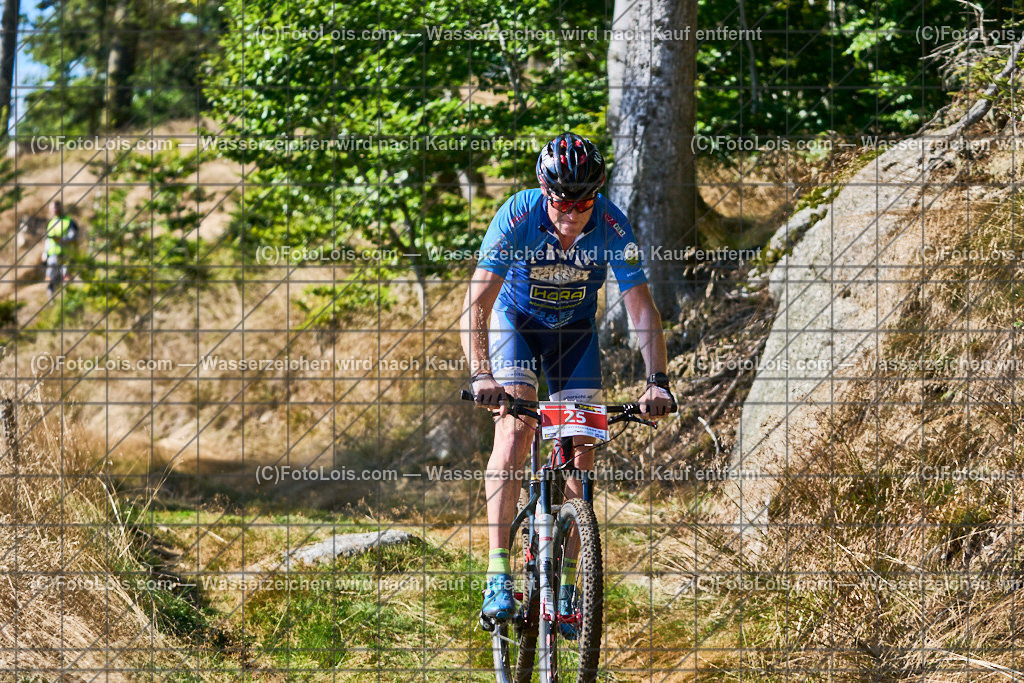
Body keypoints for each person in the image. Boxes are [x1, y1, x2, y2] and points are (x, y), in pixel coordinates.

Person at [460, 132, 675, 638]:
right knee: (514, 433)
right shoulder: (517, 215)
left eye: (583, 203)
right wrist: (481, 373)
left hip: (574, 334)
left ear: (595, 196)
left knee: (580, 451)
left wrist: (657, 380)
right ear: (543, 191)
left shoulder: (612, 224)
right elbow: (477, 302)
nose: (571, 214)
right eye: (561, 203)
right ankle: (497, 573)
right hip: (517, 324)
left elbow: (641, 308)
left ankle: (571, 587)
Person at [44, 200, 80, 296]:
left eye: (56, 207)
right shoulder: (51, 223)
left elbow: (74, 237)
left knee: (67, 277)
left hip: (66, 256)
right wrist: (44, 253)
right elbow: (48, 240)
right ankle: (51, 301)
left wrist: (61, 240)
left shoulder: (69, 222)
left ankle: (69, 299)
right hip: (52, 256)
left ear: (60, 208)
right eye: (52, 208)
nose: (54, 210)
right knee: (50, 278)